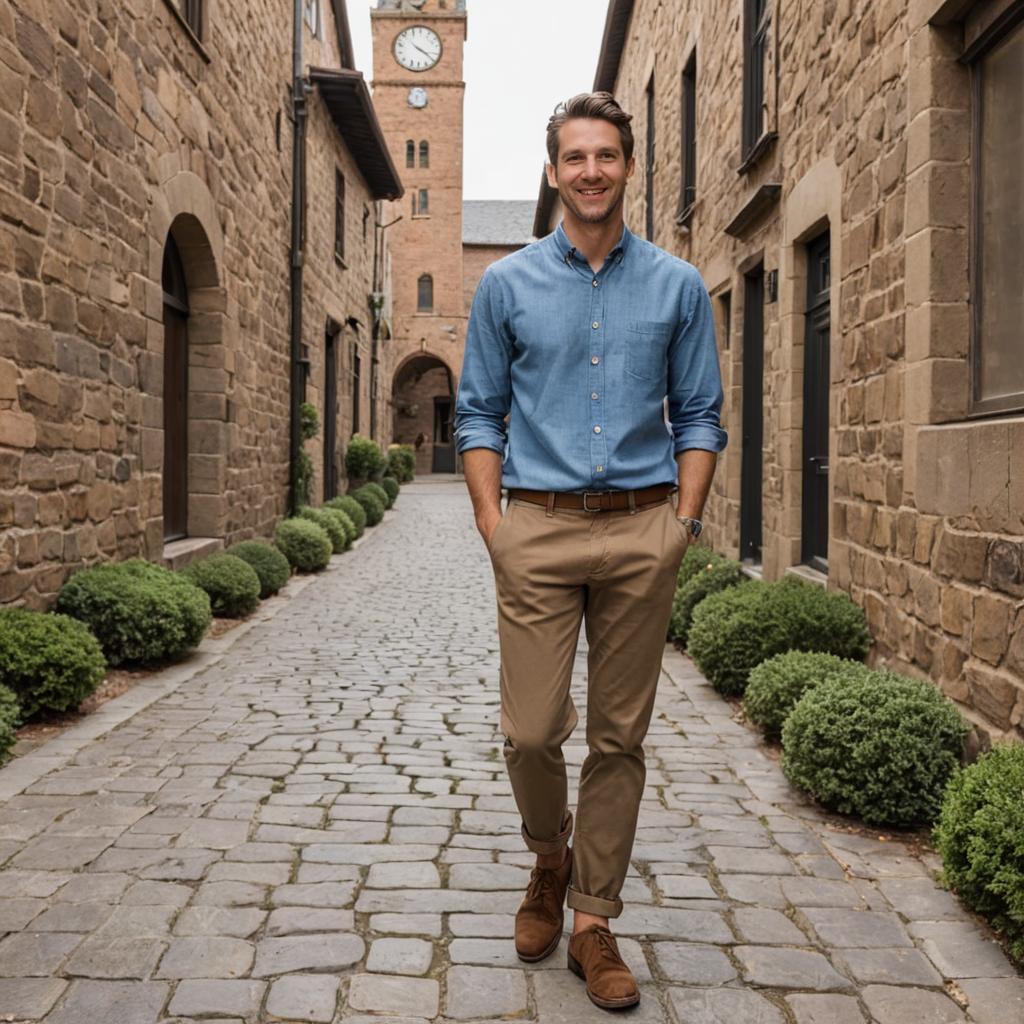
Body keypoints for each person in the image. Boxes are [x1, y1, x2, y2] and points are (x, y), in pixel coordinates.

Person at [454, 92, 727, 1011]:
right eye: (575, 157)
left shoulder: (680, 287)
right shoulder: (507, 285)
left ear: (628, 166)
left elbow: (699, 415)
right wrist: (497, 528)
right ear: (552, 171)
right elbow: (477, 412)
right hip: (535, 526)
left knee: (621, 737)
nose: (592, 171)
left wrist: (680, 528)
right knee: (531, 731)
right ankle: (548, 856)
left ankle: (593, 921)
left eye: (607, 155)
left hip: (643, 529)